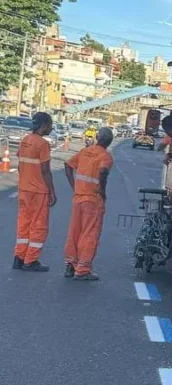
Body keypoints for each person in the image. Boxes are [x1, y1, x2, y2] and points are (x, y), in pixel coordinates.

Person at [63, 127, 114, 281]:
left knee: (74, 232)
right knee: (89, 234)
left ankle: (70, 265)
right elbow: (103, 172)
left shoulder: (85, 151)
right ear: (110, 141)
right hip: (93, 199)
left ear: (98, 138)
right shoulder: (106, 156)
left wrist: (74, 186)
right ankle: (83, 269)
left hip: (78, 198)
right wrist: (102, 191)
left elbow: (68, 165)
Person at [13, 112, 57, 272]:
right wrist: (52, 191)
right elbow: (45, 171)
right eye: (50, 125)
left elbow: (20, 165)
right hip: (38, 192)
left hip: (24, 189)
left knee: (23, 225)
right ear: (44, 125)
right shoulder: (42, 144)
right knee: (38, 226)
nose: (51, 128)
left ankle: (19, 258)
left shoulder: (25, 140)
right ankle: (30, 260)